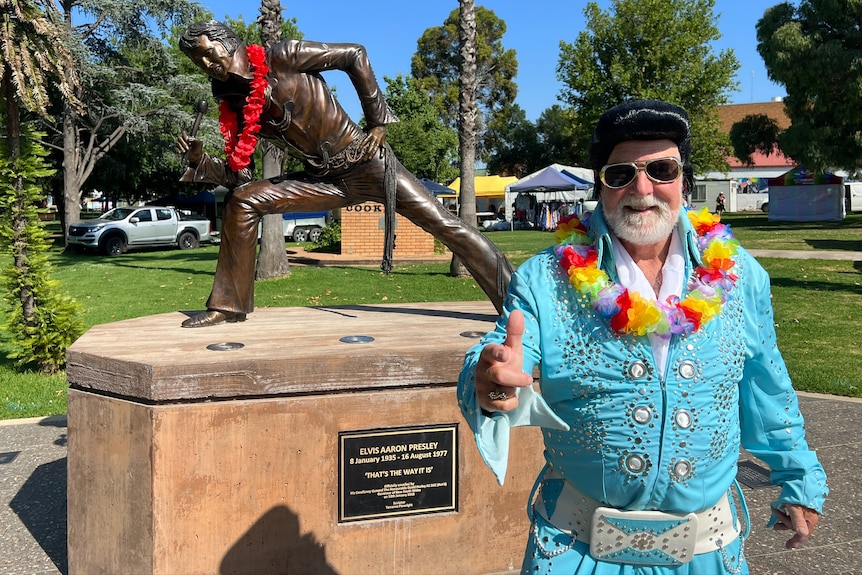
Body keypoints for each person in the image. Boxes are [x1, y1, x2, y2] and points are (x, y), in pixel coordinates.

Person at [458, 100, 827, 574]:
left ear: (684, 181)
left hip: (706, 555)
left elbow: (766, 387)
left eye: (661, 169)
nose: (642, 188)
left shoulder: (740, 277)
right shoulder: (545, 280)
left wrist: (798, 479)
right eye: (620, 175)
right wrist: (488, 378)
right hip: (577, 554)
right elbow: (504, 354)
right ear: (600, 186)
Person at [175, 20, 512, 327]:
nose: (207, 64)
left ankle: (519, 306)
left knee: (445, 225)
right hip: (323, 182)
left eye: (208, 53)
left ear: (228, 41)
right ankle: (228, 306)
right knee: (242, 200)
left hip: (367, 162)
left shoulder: (285, 56)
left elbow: (354, 55)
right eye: (198, 62)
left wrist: (377, 123)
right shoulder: (233, 101)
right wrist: (201, 162)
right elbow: (240, 176)